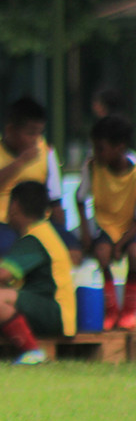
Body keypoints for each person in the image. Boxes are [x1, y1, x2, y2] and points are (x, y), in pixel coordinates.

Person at [0, 96, 71, 285]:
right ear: (10, 130)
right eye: (30, 133)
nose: (35, 139)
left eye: (39, 133)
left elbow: (55, 200)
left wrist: (62, 233)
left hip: (36, 223)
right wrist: (20, 162)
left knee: (71, 250)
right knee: (4, 258)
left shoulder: (46, 152)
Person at [0, 181, 76, 364]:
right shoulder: (43, 232)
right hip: (53, 308)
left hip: (55, 311)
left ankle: (32, 351)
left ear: (14, 206)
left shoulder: (34, 238)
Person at [75, 115, 136, 330]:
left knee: (134, 254)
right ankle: (111, 308)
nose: (96, 153)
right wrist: (85, 231)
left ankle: (130, 309)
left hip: (130, 227)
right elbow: (80, 199)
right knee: (101, 253)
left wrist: (121, 245)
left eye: (101, 148)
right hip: (105, 226)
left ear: (120, 147)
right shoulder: (93, 167)